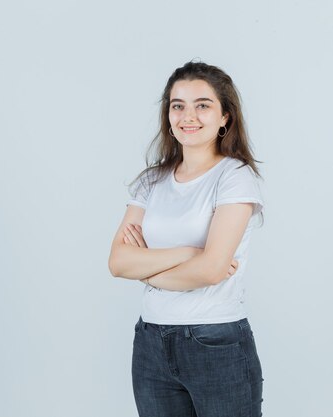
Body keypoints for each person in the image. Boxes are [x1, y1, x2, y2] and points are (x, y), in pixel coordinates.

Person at [108, 61, 265, 417]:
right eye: (177, 105)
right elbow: (118, 263)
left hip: (215, 341)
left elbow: (210, 270)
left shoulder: (235, 177)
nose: (187, 116)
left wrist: (146, 269)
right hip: (150, 341)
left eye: (203, 105)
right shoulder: (151, 181)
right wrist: (186, 253)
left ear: (225, 117)